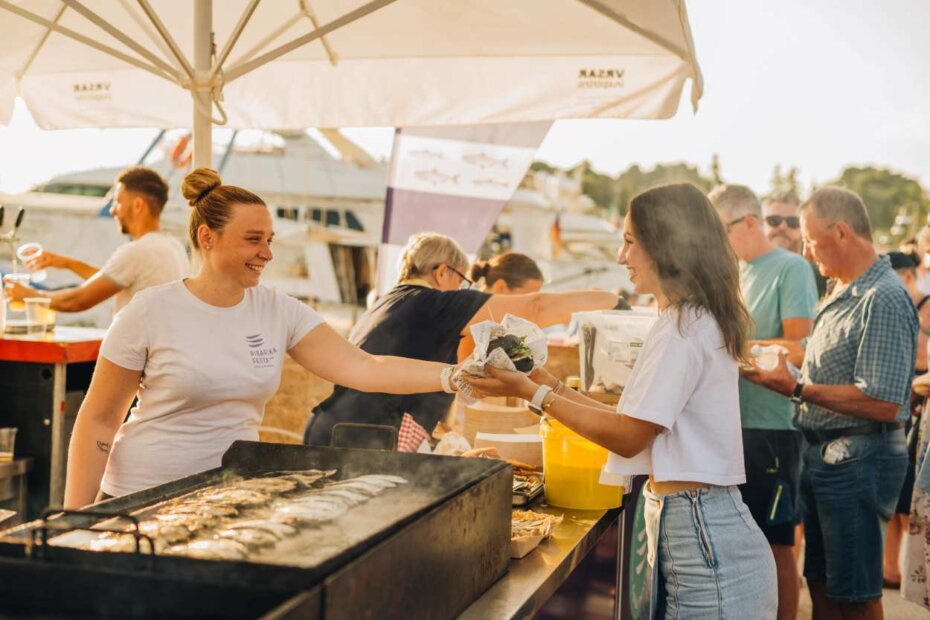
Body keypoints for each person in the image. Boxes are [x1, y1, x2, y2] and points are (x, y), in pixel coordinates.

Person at [63, 168, 467, 507]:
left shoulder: (277, 310)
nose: (267, 253)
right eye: (253, 239)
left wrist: (453, 376)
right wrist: (74, 520)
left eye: (269, 240)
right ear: (207, 237)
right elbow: (99, 420)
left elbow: (363, 367)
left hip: (227, 496)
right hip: (140, 497)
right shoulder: (148, 311)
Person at [466, 183, 777, 618]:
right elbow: (632, 419)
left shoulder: (682, 328)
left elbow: (629, 436)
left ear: (665, 247)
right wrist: (547, 383)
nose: (620, 257)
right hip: (700, 528)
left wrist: (531, 392)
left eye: (630, 242)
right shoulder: (685, 319)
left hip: (704, 537)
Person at [746, 187, 916, 620]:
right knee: (821, 582)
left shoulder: (883, 297)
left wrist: (797, 389)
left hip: (858, 459)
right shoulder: (842, 288)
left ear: (840, 232)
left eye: (809, 238)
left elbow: (882, 400)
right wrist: (792, 375)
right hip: (828, 456)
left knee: (854, 594)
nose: (804, 249)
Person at [303, 232, 622, 447]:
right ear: (442, 272)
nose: (462, 288)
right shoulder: (435, 301)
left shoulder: (388, 302)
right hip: (368, 438)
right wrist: (612, 302)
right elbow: (536, 307)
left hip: (330, 428)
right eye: (461, 279)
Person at [708, 184, 817, 620]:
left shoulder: (791, 269)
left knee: (775, 544)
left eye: (721, 230)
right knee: (745, 542)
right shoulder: (738, 269)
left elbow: (801, 347)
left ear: (749, 223)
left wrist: (729, 347)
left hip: (774, 426)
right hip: (738, 424)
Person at [4, 167, 189, 314]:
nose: (112, 210)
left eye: (117, 201)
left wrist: (29, 295)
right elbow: (112, 278)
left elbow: (76, 301)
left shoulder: (139, 251)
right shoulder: (171, 246)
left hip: (141, 360)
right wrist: (66, 263)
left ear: (138, 205)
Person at [884, 251, 929, 588]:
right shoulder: (898, 308)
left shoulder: (927, 305)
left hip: (919, 396)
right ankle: (891, 570)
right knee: (900, 494)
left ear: (909, 276)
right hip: (907, 403)